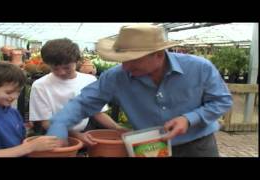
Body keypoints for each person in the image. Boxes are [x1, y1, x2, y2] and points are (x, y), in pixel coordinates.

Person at [46, 24, 233, 157]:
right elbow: (82, 103)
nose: (125, 67)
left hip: (197, 147)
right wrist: (59, 125)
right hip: (148, 147)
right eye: (122, 59)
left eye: (133, 60)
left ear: (159, 55)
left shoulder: (199, 68)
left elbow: (222, 101)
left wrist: (189, 118)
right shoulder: (116, 76)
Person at [29, 38, 125, 147]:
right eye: (55, 68)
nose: (62, 72)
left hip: (85, 130)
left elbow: (97, 112)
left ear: (77, 61)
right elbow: (46, 122)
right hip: (54, 135)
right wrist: (76, 135)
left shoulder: (89, 80)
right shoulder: (40, 85)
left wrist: (117, 128)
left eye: (67, 68)